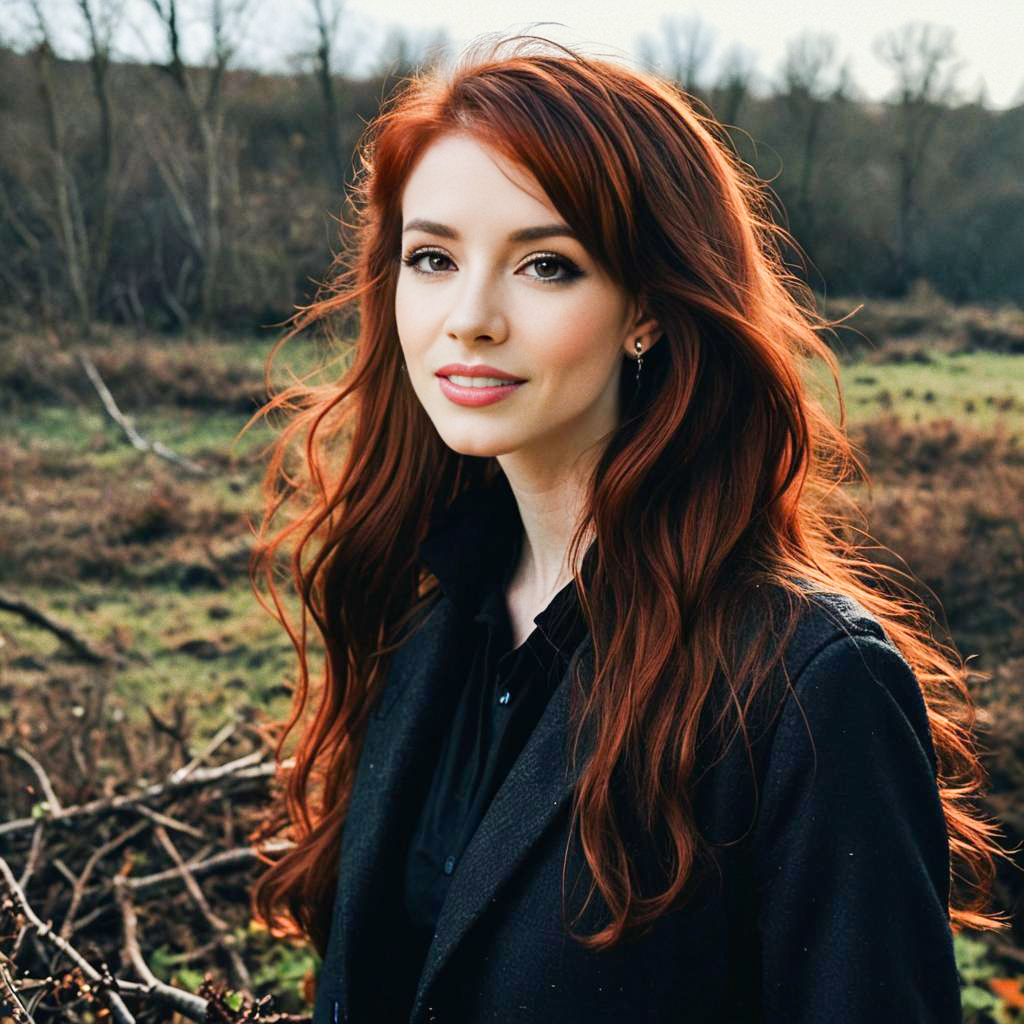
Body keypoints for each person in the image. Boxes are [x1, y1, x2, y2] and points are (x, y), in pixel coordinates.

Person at [247, 34, 1008, 1023]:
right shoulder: (422, 631)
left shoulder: (804, 686)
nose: (468, 317)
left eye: (546, 265)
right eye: (432, 257)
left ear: (646, 308)